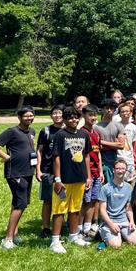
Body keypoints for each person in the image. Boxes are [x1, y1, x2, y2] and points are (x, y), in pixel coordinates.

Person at [0, 106, 37, 249]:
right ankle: (7, 240)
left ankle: (13, 234)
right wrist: (5, 156)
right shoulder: (12, 131)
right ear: (19, 117)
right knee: (20, 204)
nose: (29, 118)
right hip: (15, 173)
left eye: (31, 115)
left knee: (19, 203)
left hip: (28, 171)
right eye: (26, 116)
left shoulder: (31, 131)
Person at [49, 106, 93, 253]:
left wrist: (88, 176)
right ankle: (55, 240)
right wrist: (57, 178)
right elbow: (56, 157)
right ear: (65, 120)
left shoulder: (84, 135)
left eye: (75, 117)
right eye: (70, 118)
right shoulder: (60, 135)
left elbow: (87, 156)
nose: (73, 120)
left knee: (75, 209)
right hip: (64, 180)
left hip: (79, 178)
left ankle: (73, 236)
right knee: (59, 210)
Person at [34, 104, 64, 239]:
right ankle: (46, 228)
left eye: (60, 113)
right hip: (47, 171)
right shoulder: (45, 131)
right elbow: (39, 151)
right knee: (47, 201)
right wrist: (38, 169)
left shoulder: (69, 130)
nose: (57, 115)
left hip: (64, 173)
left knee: (63, 199)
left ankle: (61, 226)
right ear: (51, 115)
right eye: (55, 113)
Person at [98, 159, 136, 248]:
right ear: (113, 170)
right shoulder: (105, 188)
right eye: (118, 168)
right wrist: (111, 224)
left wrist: (132, 221)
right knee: (116, 245)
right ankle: (103, 232)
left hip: (124, 221)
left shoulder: (129, 187)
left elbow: (128, 208)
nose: (120, 171)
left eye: (123, 169)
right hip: (109, 222)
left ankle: (120, 234)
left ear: (125, 170)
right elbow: (102, 210)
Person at [79, 104, 103, 240]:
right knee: (84, 201)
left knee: (94, 201)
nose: (92, 117)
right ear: (84, 116)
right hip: (86, 174)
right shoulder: (82, 133)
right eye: (90, 115)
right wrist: (86, 175)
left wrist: (101, 171)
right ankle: (78, 228)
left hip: (96, 173)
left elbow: (98, 153)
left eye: (94, 115)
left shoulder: (96, 133)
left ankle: (88, 227)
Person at [95, 99, 123, 185]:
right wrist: (114, 145)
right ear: (102, 109)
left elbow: (121, 145)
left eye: (111, 108)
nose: (109, 110)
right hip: (100, 162)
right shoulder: (96, 127)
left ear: (115, 110)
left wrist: (102, 142)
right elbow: (97, 147)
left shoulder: (118, 125)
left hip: (114, 162)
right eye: (107, 108)